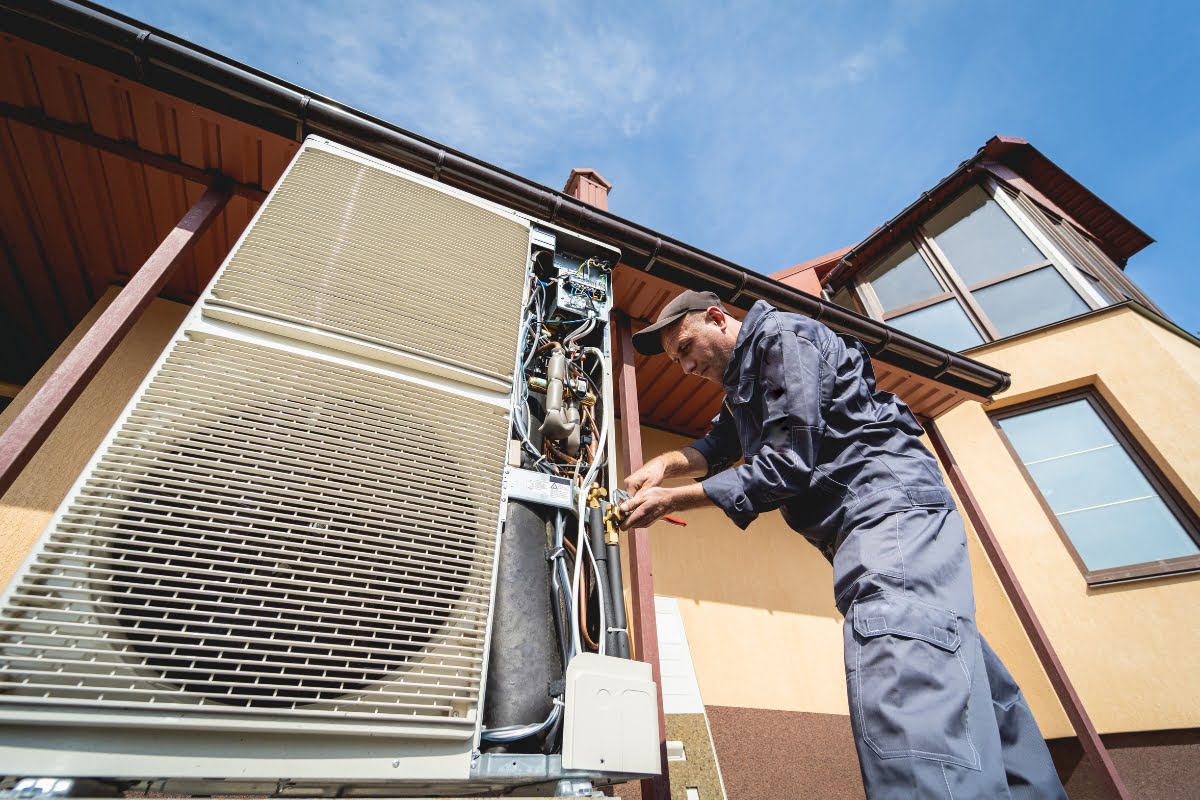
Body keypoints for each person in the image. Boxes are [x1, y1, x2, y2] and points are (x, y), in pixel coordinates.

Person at [619, 289, 1066, 799]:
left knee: (906, 676)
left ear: (718, 319)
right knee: (962, 680)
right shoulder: (751, 379)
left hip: (886, 515)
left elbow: (786, 464)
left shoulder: (781, 338)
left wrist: (672, 500)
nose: (683, 366)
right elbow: (720, 444)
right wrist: (665, 464)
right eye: (676, 359)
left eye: (684, 348)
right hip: (894, 524)